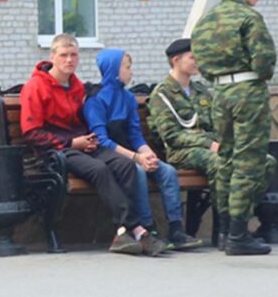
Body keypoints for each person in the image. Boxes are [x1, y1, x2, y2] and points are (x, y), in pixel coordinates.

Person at [21, 34, 154, 255]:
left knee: (125, 165)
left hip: (82, 145)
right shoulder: (35, 87)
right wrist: (72, 142)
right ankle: (137, 229)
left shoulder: (77, 87)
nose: (69, 60)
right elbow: (31, 133)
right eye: (63, 55)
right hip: (54, 151)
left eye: (74, 55)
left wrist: (87, 140)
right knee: (100, 169)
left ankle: (122, 233)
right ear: (52, 56)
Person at [191, 0, 278, 255]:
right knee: (248, 161)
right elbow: (265, 63)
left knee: (226, 158)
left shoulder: (206, 20)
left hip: (220, 93)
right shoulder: (249, 18)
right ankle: (239, 235)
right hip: (247, 93)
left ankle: (226, 232)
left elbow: (201, 65)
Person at [87, 49, 192, 253]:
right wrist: (137, 158)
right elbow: (102, 140)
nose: (131, 72)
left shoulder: (127, 97)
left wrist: (148, 154)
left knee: (167, 171)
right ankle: (148, 228)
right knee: (139, 171)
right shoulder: (96, 99)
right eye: (127, 67)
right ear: (113, 70)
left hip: (135, 153)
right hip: (112, 155)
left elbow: (135, 134)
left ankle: (176, 229)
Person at [144, 38, 224, 238]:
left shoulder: (201, 91)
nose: (197, 62)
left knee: (260, 161)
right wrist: (208, 143)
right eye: (192, 57)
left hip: (208, 148)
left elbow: (216, 124)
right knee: (219, 163)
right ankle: (224, 229)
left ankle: (241, 224)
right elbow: (171, 136)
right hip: (180, 153)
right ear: (176, 60)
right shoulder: (162, 94)